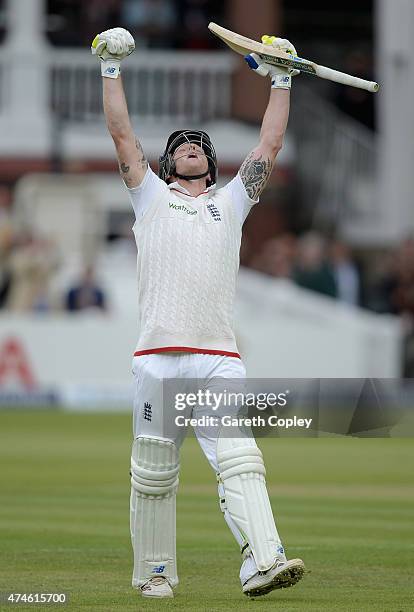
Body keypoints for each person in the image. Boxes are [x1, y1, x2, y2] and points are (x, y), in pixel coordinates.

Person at [92, 27, 305, 599]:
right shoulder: (149, 196)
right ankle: (154, 575)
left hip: (217, 359)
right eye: (180, 144)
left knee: (240, 458)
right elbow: (120, 132)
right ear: (166, 162)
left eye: (199, 144)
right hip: (156, 360)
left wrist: (280, 80)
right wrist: (111, 68)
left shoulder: (231, 202)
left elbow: (269, 145)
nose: (191, 146)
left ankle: (264, 560)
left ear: (210, 164)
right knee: (154, 474)